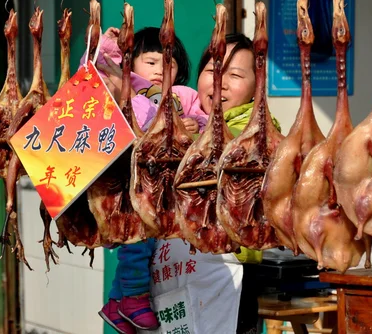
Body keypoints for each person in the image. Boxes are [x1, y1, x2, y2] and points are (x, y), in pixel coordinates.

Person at [148, 33, 281, 334]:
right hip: (174, 275)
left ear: (256, 88)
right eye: (212, 71)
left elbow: (217, 153)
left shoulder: (257, 129)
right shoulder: (192, 118)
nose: (219, 82)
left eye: (234, 75)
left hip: (227, 277)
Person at [85, 26, 207, 334]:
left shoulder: (185, 96)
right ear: (132, 63)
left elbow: (204, 122)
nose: (159, 70)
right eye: (150, 62)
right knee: (136, 240)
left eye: (169, 63)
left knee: (149, 241)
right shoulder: (129, 91)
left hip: (168, 184)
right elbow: (95, 72)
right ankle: (135, 299)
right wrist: (109, 44)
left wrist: (197, 124)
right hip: (133, 182)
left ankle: (116, 302)